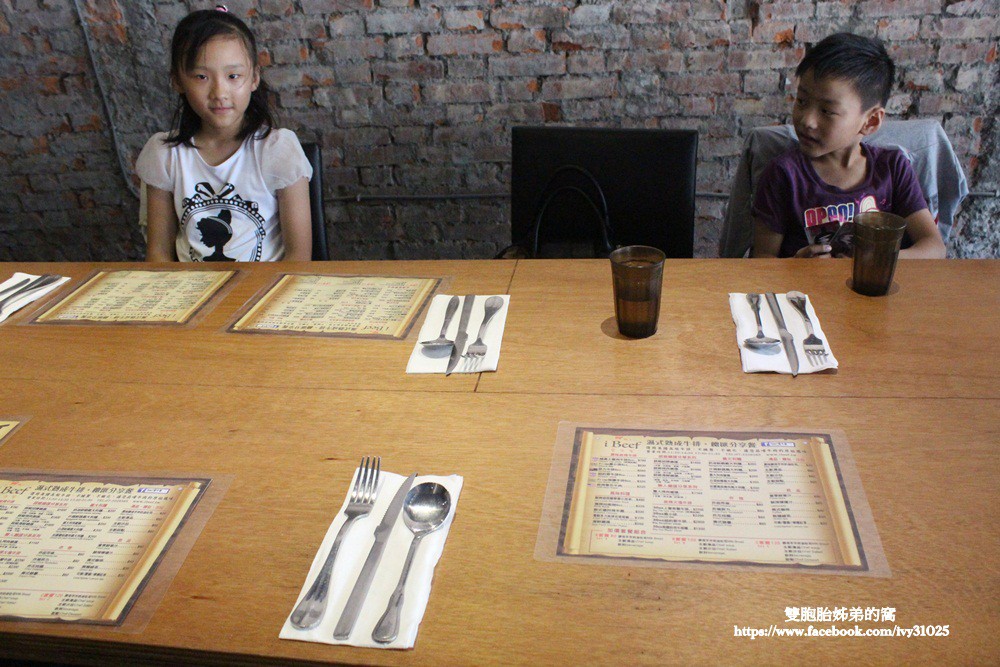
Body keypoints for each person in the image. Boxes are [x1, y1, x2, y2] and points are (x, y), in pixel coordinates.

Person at [137, 5, 313, 262]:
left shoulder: (278, 150)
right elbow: (159, 255)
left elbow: (298, 258)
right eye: (201, 76)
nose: (219, 92)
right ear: (177, 81)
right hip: (191, 286)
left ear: (254, 78)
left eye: (233, 76)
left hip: (266, 286)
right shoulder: (164, 155)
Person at [752, 33, 946, 259]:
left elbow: (934, 247)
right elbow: (762, 261)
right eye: (802, 101)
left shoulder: (892, 169)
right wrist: (796, 267)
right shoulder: (784, 175)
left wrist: (873, 260)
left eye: (827, 111)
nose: (807, 120)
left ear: (870, 121)